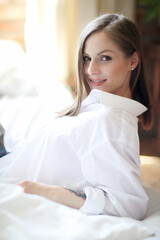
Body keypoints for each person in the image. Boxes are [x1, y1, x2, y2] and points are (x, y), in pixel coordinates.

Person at [0, 13, 152, 220]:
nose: (91, 70)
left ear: (132, 60)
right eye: (86, 59)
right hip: (11, 152)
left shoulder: (110, 121)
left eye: (105, 58)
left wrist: (49, 191)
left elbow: (129, 206)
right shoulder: (103, 109)